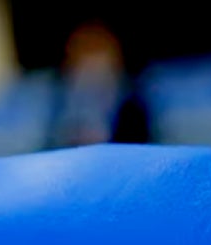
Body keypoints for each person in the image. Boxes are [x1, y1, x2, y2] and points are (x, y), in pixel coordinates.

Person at [48, 20, 154, 149]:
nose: (92, 78)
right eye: (85, 71)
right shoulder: (53, 108)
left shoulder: (133, 110)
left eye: (101, 71)